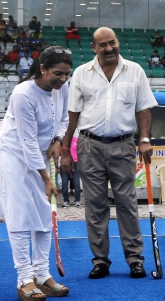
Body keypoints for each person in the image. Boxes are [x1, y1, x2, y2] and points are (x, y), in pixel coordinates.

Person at [61, 27, 157, 280]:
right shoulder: (81, 74)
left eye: (112, 43)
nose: (109, 48)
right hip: (89, 146)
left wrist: (144, 139)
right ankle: (100, 260)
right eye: (102, 45)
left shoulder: (135, 70)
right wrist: (65, 151)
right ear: (94, 48)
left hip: (123, 145)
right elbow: (72, 117)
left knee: (127, 203)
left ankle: (135, 259)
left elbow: (144, 109)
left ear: (118, 43)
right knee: (95, 205)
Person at [0, 45, 72, 301]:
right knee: (19, 214)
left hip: (41, 154)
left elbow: (64, 119)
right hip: (14, 154)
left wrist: (58, 141)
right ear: (42, 69)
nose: (62, 79)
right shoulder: (22, 93)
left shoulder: (62, 89)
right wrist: (47, 179)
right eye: (57, 74)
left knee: (42, 213)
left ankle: (41, 273)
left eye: (66, 74)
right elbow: (27, 141)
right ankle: (24, 278)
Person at [61, 129, 81, 208]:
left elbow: (81, 151)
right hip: (65, 164)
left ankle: (77, 200)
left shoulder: (77, 140)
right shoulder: (63, 142)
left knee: (76, 184)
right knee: (64, 184)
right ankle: (66, 201)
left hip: (75, 164)